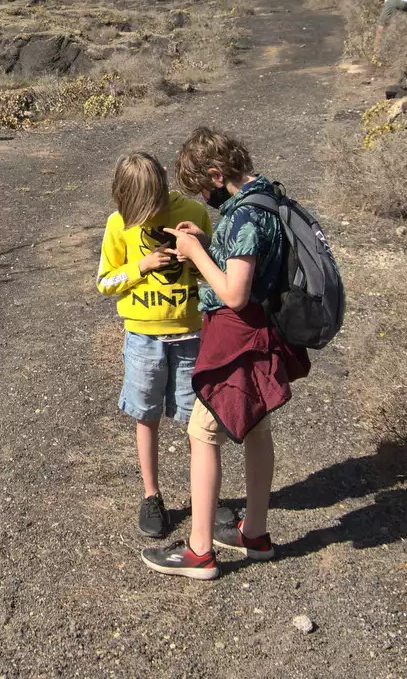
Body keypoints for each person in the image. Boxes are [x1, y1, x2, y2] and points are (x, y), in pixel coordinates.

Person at [142, 128, 309, 581]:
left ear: (217, 173)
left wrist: (195, 252)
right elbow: (247, 266)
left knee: (203, 433)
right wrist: (209, 243)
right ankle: (254, 532)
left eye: (203, 186)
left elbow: (234, 293)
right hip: (262, 331)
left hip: (237, 336)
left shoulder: (244, 217)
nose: (204, 194)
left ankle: (199, 553)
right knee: (257, 427)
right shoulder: (266, 196)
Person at [97, 152, 213, 539]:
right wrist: (140, 267)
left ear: (164, 182)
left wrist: (196, 252)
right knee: (145, 415)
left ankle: (204, 498)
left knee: (198, 423)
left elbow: (214, 271)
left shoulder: (193, 211)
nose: (149, 216)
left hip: (192, 334)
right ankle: (152, 494)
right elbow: (104, 282)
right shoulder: (119, 223)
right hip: (142, 337)